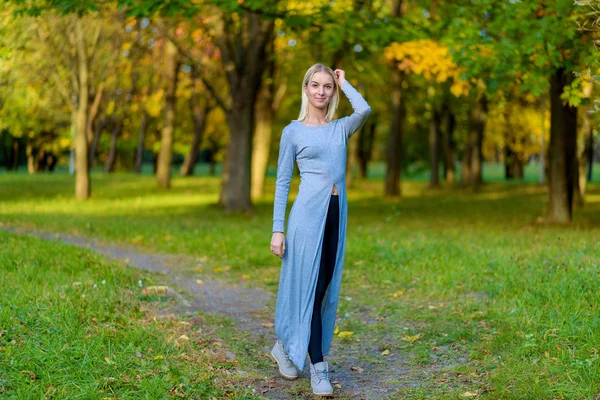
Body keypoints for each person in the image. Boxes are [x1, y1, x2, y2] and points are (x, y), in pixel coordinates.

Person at [269, 63, 371, 396]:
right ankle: (318, 366)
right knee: (309, 288)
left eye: (328, 86)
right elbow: (283, 182)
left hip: (335, 215)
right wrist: (277, 229)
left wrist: (346, 82)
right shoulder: (293, 132)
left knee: (321, 288)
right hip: (305, 218)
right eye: (316, 85)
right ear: (306, 89)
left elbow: (365, 110)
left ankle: (283, 346)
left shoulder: (340, 128)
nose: (322, 92)